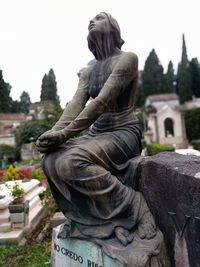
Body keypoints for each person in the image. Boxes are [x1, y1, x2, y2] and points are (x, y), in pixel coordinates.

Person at [36, 12, 156, 247]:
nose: (92, 21)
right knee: (50, 161)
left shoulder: (127, 59)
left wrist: (65, 134)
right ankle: (90, 223)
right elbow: (75, 105)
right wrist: (52, 134)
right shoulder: (89, 68)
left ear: (113, 28)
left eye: (99, 18)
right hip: (97, 134)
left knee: (71, 163)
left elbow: (100, 103)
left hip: (123, 133)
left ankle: (136, 206)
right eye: (89, 21)